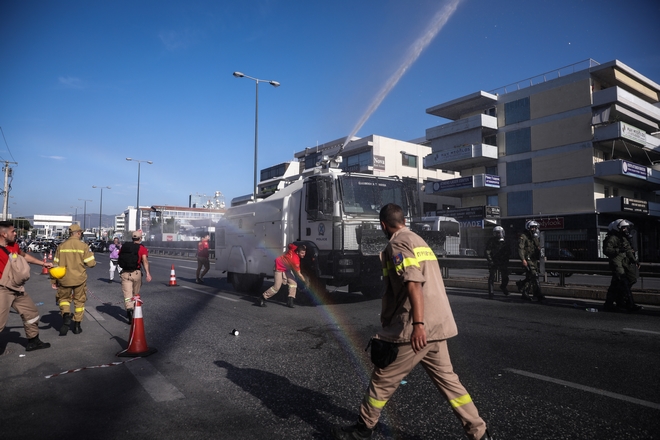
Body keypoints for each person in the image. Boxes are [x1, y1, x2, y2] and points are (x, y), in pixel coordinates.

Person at [332, 204, 491, 440]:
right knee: (449, 382)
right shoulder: (419, 240)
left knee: (382, 378)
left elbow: (413, 282)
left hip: (416, 327)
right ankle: (480, 432)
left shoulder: (397, 244)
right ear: (403, 220)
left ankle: (364, 428)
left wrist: (418, 325)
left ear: (383, 225)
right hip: (438, 325)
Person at [0, 221, 52, 351]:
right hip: (2, 289)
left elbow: (25, 256)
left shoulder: (14, 246)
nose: (15, 233)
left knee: (31, 313)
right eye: (13, 231)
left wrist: (42, 264)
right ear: (3, 234)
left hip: (16, 287)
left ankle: (33, 341)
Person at [53, 224, 97, 336]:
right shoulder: (83, 246)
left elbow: (55, 264)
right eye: (80, 233)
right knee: (79, 302)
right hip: (79, 279)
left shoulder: (61, 246)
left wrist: (54, 281)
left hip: (64, 279)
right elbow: (91, 264)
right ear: (78, 233)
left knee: (63, 299)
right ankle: (77, 326)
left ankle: (66, 315)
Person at [602, 219, 642, 312]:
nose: (626, 230)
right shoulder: (612, 238)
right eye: (624, 228)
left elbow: (628, 250)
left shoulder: (623, 238)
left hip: (625, 262)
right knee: (623, 281)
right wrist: (618, 250)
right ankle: (629, 304)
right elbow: (606, 250)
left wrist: (634, 260)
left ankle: (613, 302)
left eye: (626, 228)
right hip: (617, 262)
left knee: (629, 279)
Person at [258, 243, 306, 309]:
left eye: (304, 253)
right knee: (276, 287)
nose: (304, 255)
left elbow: (289, 245)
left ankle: (290, 301)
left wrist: (302, 246)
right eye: (302, 253)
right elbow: (299, 274)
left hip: (286, 269)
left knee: (293, 283)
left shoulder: (293, 249)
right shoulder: (295, 261)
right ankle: (262, 298)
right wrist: (304, 282)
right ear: (297, 252)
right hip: (278, 268)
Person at [119, 230, 152, 323]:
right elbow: (144, 261)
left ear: (132, 238)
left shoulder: (124, 247)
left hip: (125, 273)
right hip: (136, 273)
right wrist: (148, 273)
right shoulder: (142, 248)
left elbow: (119, 257)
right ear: (140, 238)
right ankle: (133, 310)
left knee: (127, 294)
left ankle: (129, 310)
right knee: (135, 293)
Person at [516, 220, 545, 302]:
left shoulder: (534, 237)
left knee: (531, 277)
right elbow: (520, 248)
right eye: (532, 227)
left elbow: (538, 246)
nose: (534, 229)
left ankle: (525, 290)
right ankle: (537, 294)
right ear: (528, 227)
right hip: (527, 258)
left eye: (535, 227)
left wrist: (541, 252)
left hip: (534, 259)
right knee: (534, 275)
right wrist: (523, 259)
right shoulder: (523, 236)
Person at [485, 226, 510, 299]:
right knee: (492, 277)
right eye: (497, 233)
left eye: (500, 233)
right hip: (494, 261)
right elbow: (487, 251)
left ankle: (503, 287)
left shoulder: (505, 241)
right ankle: (491, 293)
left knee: (505, 277)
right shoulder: (491, 241)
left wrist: (506, 258)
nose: (499, 234)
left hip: (503, 261)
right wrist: (490, 260)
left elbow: (508, 251)